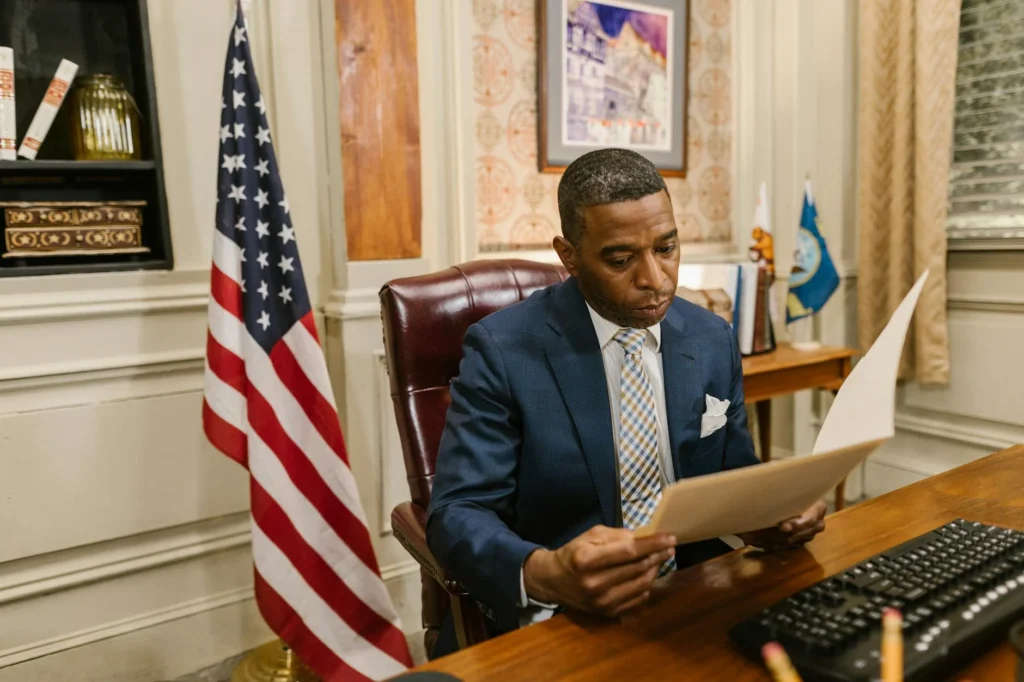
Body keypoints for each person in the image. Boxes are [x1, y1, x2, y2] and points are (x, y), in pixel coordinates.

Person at [426, 148, 826, 656]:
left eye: (667, 248)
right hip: (562, 618)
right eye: (620, 259)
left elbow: (733, 474)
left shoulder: (710, 337)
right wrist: (544, 573)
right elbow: (458, 511)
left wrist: (771, 515)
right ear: (569, 256)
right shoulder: (504, 350)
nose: (655, 280)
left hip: (691, 596)